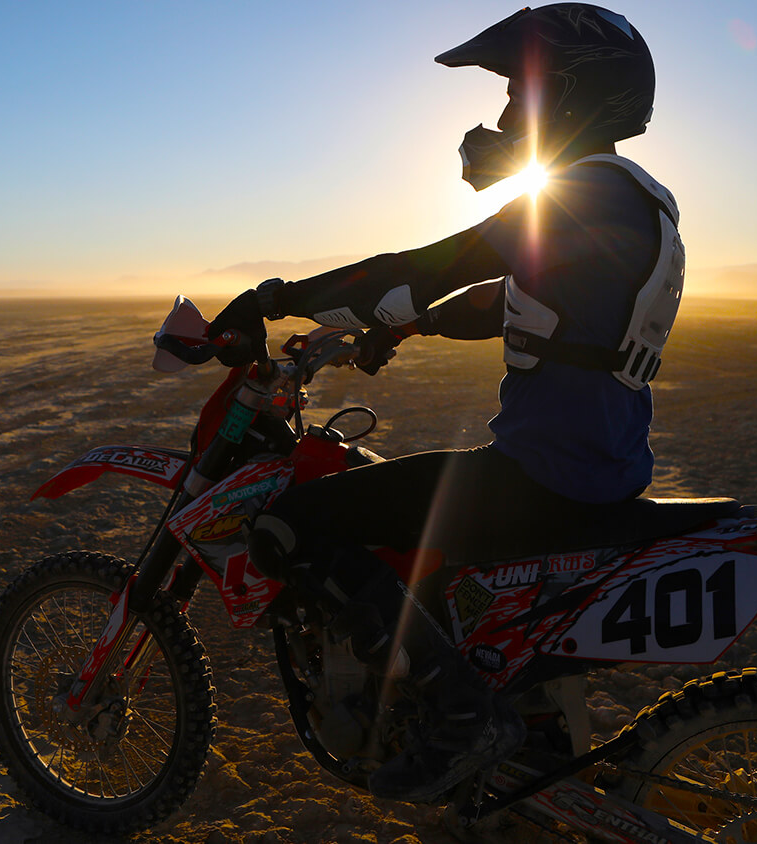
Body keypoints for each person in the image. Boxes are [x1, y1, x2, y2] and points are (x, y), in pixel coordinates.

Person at [208, 4, 683, 803]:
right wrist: (414, 328)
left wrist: (275, 296)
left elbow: (421, 268)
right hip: (601, 461)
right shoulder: (635, 199)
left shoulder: (584, 196)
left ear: (569, 95)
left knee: (291, 527)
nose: (504, 114)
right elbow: (506, 300)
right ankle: (475, 698)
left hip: (546, 474)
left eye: (519, 93)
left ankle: (464, 718)